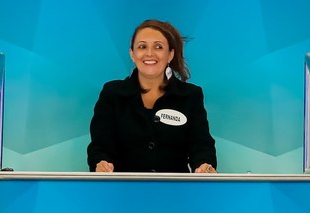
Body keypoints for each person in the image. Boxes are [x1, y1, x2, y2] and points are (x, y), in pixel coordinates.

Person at [87, 20, 217, 173]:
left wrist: (204, 165)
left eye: (158, 47)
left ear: (170, 54)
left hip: (176, 191)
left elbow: (201, 145)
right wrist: (101, 163)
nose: (149, 53)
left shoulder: (190, 96)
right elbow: (100, 146)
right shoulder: (112, 93)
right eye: (142, 46)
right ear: (132, 54)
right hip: (123, 190)